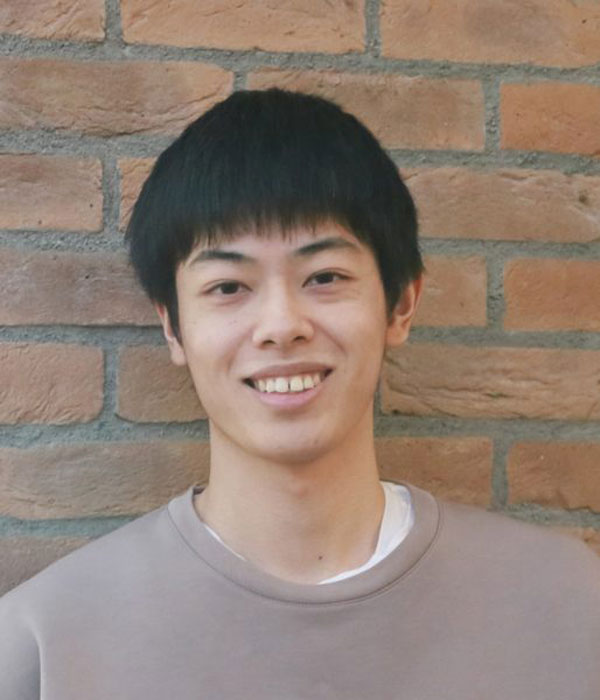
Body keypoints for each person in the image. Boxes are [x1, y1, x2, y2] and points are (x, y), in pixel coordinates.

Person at [1, 88, 598, 699]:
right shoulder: (43, 647)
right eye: (229, 286)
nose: (282, 325)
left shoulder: (567, 605)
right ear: (173, 327)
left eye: (325, 277)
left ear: (401, 304)